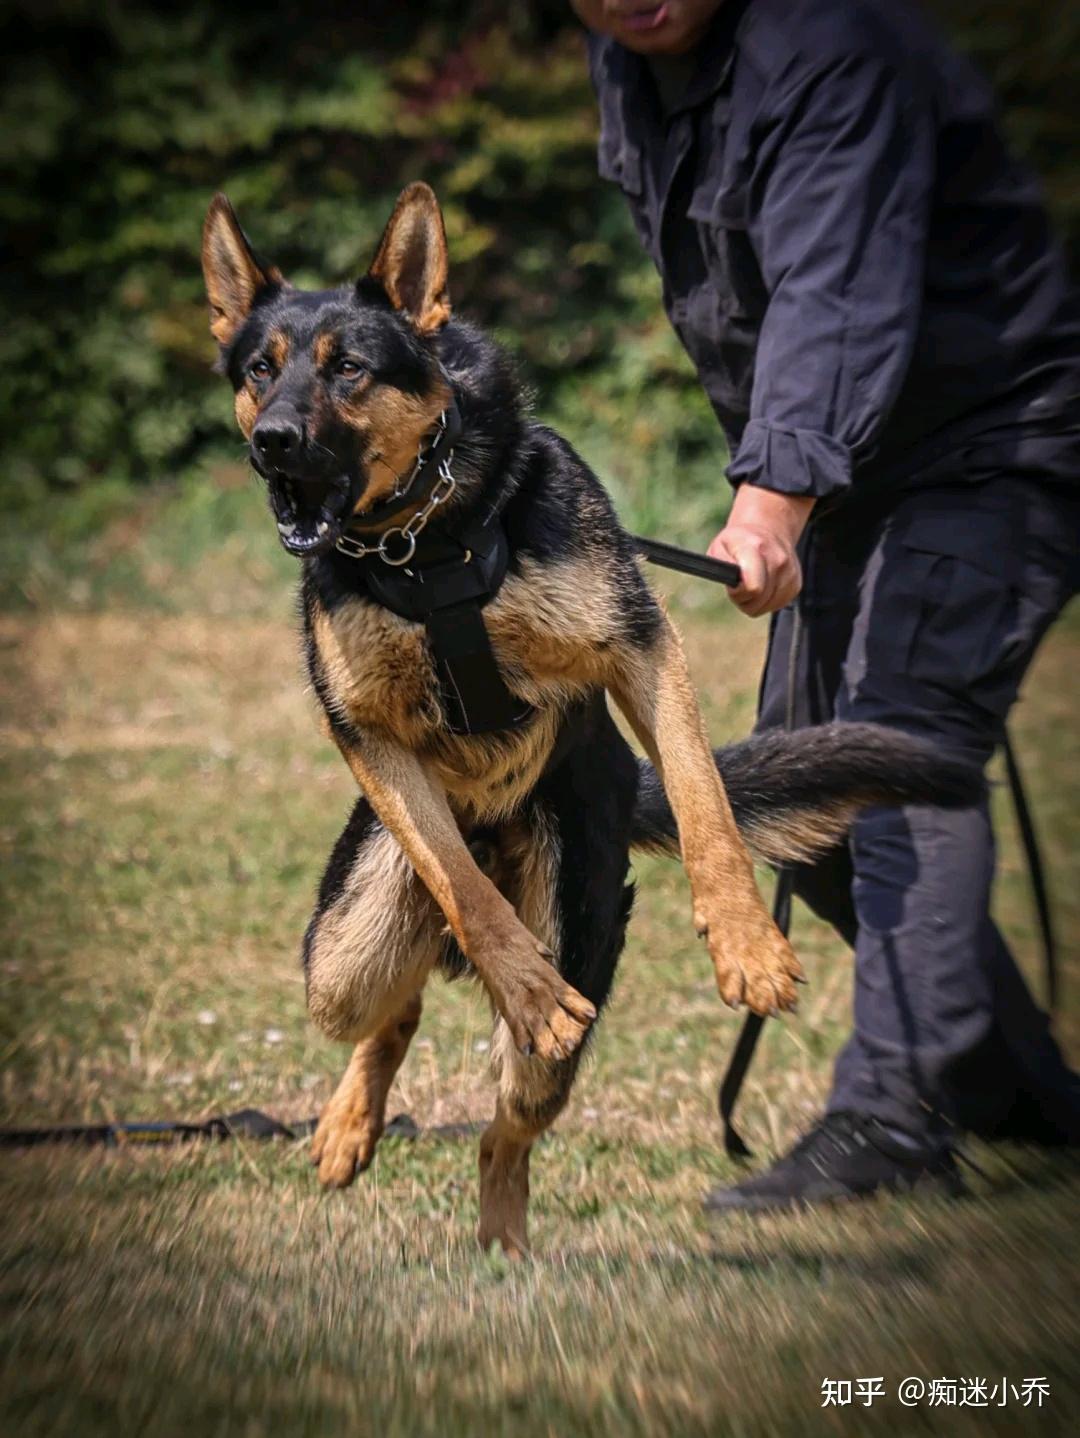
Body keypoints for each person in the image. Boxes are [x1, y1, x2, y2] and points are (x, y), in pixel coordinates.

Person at [572, 0, 1080, 1210]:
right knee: (806, 807)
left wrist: (774, 496)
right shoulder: (633, 55)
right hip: (858, 470)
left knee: (888, 763)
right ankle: (1026, 1105)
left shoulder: (833, 48)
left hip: (992, 447)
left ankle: (896, 1116)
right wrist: (792, 483)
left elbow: (833, 292)